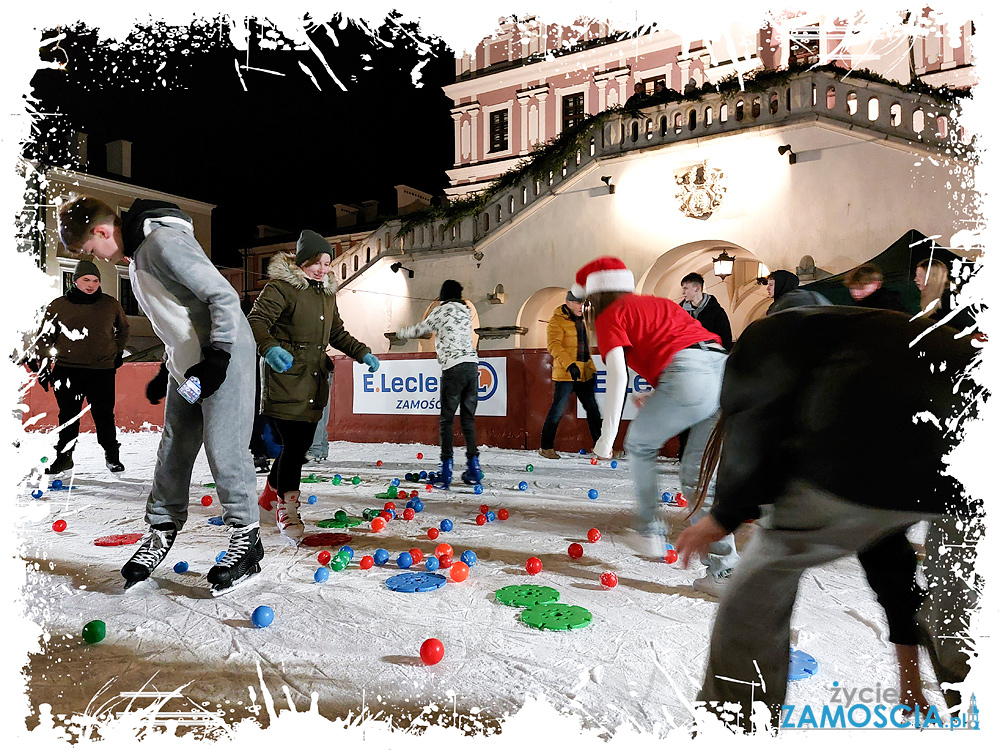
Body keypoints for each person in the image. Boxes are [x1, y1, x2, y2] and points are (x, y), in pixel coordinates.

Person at [676, 307, 981, 732]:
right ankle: (977, 699)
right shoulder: (855, 334)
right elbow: (890, 563)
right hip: (981, 446)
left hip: (876, 439)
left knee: (764, 577)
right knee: (962, 603)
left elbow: (753, 421)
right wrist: (909, 680)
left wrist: (725, 514)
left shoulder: (760, 340)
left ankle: (729, 727)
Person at [57, 196, 262, 594]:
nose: (96, 259)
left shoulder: (162, 243)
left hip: (224, 356)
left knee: (224, 447)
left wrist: (218, 357)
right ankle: (162, 529)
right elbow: (180, 319)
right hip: (188, 365)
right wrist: (168, 366)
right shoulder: (139, 258)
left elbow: (223, 296)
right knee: (174, 448)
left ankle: (247, 539)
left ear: (102, 232)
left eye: (89, 250)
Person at [574, 256, 737, 594]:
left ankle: (649, 529)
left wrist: (606, 437)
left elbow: (617, 375)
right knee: (695, 477)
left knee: (639, 444)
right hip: (722, 373)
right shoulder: (655, 303)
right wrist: (667, 388)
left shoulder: (610, 315)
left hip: (689, 377)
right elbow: (687, 346)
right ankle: (725, 571)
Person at [249, 230, 378, 542]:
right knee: (293, 446)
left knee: (299, 447)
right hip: (284, 378)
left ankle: (268, 498)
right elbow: (254, 321)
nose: (323, 268)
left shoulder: (327, 294)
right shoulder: (281, 288)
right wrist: (270, 349)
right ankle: (287, 508)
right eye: (317, 262)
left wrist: (362, 352)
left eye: (328, 262)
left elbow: (336, 333)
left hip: (313, 382)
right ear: (302, 261)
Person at [28, 257, 129, 474]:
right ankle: (64, 457)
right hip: (67, 370)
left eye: (95, 280)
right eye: (86, 279)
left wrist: (117, 352)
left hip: (101, 371)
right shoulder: (59, 306)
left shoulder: (110, 304)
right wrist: (44, 366)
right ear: (75, 281)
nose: (91, 284)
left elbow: (123, 329)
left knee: (104, 415)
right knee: (68, 415)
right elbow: (46, 337)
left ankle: (112, 456)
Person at [399, 280, 482, 490]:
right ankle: (474, 468)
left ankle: (446, 470)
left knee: (446, 421)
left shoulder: (441, 311)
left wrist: (401, 333)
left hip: (453, 368)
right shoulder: (465, 311)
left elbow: (422, 328)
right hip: (472, 367)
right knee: (468, 420)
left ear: (443, 295)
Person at [538, 289, 602, 459]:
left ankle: (601, 447)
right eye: (579, 303)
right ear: (568, 303)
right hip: (566, 373)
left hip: (585, 373)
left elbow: (585, 348)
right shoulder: (557, 321)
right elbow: (554, 345)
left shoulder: (584, 320)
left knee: (593, 410)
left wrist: (590, 368)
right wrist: (570, 364)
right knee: (557, 410)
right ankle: (546, 447)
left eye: (583, 303)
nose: (582, 306)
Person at [679, 273, 732, 349]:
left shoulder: (716, 312)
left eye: (685, 288)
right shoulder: (680, 311)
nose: (683, 292)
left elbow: (725, 339)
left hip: (711, 356)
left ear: (697, 288)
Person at [765, 269, 831, 314]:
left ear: (781, 284)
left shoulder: (786, 303)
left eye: (771, 285)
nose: (767, 288)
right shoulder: (810, 295)